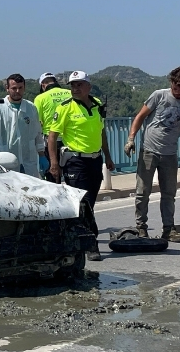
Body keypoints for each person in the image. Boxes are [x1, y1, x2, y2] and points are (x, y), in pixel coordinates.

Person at [125, 67, 180, 241]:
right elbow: (140, 116)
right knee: (142, 192)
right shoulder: (159, 95)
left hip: (169, 153)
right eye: (175, 85)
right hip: (149, 150)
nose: (177, 89)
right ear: (171, 83)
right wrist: (131, 139)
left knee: (169, 193)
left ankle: (168, 229)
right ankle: (141, 227)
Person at [47, 71, 114, 261]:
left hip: (95, 160)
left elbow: (102, 132)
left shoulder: (98, 105)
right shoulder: (65, 108)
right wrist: (54, 164)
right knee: (83, 204)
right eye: (72, 85)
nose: (75, 89)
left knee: (90, 202)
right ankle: (90, 244)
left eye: (79, 85)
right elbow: (52, 137)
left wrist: (107, 156)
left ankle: (75, 238)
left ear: (88, 87)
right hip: (76, 161)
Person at [0, 74, 45, 178]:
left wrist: (42, 155)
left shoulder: (31, 108)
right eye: (14, 88)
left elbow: (37, 133)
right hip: (2, 162)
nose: (17, 91)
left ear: (24, 88)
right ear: (7, 88)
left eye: (20, 88)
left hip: (27, 163)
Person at [34, 72, 72, 182]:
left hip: (51, 141)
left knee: (53, 176)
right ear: (55, 82)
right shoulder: (70, 93)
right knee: (73, 175)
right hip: (71, 140)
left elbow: (38, 122)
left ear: (43, 85)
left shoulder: (40, 98)